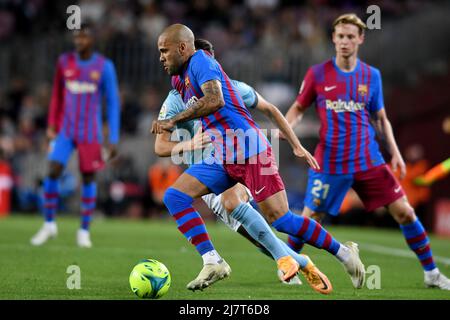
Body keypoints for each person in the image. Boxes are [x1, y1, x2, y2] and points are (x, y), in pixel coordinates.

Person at [151, 24, 364, 291]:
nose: (160, 57)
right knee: (175, 196)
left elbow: (216, 101)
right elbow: (166, 140)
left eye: (164, 51)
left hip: (250, 149)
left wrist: (297, 145)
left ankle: (344, 253)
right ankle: (213, 261)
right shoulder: (178, 82)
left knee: (281, 219)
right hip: (222, 155)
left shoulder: (201, 61)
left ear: (184, 48)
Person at [284, 13, 450, 290]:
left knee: (405, 212)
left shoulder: (371, 76)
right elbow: (299, 109)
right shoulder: (317, 74)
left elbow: (381, 118)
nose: (345, 42)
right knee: (310, 219)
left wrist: (395, 152)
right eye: (340, 36)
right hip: (330, 162)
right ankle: (288, 264)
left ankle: (431, 273)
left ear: (360, 39)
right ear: (333, 39)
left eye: (350, 36)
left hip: (368, 160)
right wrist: (288, 132)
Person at [30, 23, 120, 248]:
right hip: (66, 130)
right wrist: (51, 124)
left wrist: (114, 137)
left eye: (84, 38)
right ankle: (49, 224)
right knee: (52, 170)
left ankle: (84, 230)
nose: (79, 41)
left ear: (93, 40)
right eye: (76, 37)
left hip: (90, 132)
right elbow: (56, 96)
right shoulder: (64, 62)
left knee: (88, 177)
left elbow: (113, 103)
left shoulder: (104, 66)